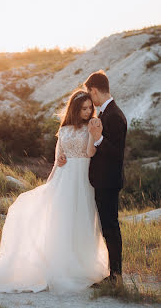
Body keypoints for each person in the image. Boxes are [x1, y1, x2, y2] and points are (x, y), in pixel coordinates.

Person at [0, 89, 110, 294]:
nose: (88, 112)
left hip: (83, 179)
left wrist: (93, 133)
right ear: (75, 109)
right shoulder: (64, 130)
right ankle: (60, 265)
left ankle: (82, 264)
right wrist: (49, 185)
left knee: (82, 220)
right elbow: (57, 160)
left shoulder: (92, 126)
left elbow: (89, 153)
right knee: (62, 221)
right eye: (83, 109)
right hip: (65, 178)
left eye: (90, 108)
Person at [58, 70, 127, 285]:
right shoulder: (106, 114)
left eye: (90, 95)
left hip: (108, 181)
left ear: (94, 91)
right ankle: (112, 273)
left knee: (110, 227)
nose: (91, 104)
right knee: (105, 227)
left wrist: (97, 139)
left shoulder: (114, 115)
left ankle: (115, 276)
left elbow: (116, 153)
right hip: (100, 181)